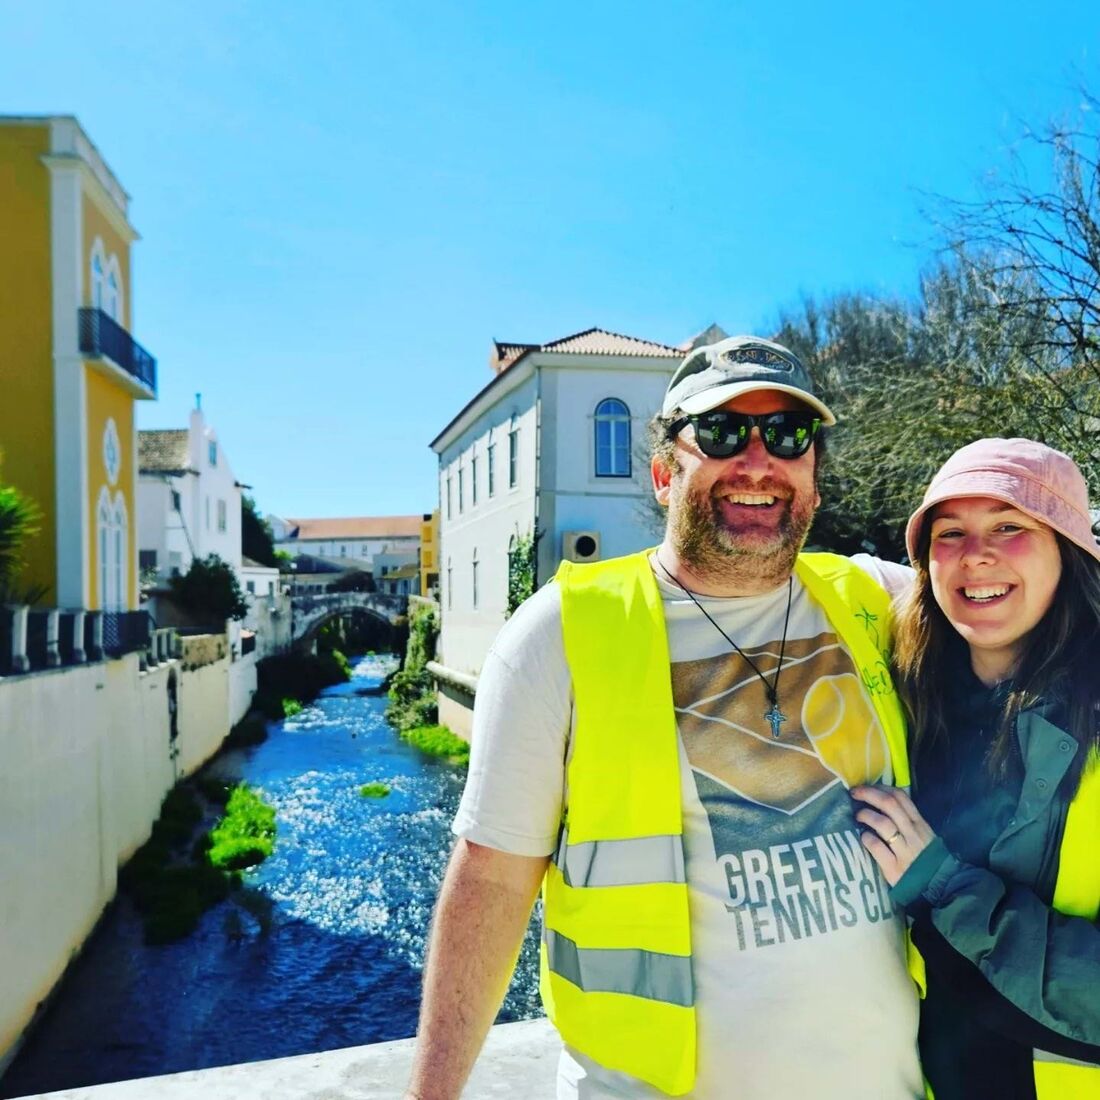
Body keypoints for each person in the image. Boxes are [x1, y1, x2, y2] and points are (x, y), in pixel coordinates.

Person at [405, 335, 924, 1100]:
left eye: (788, 434)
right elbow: (492, 884)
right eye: (720, 432)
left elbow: (1032, 593)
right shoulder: (560, 634)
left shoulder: (873, 597)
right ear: (661, 475)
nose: (758, 460)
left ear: (813, 477)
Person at [852, 438, 1100, 1099]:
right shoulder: (904, 698)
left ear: (1069, 550)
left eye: (1009, 526)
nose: (975, 554)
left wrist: (944, 889)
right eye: (949, 533)